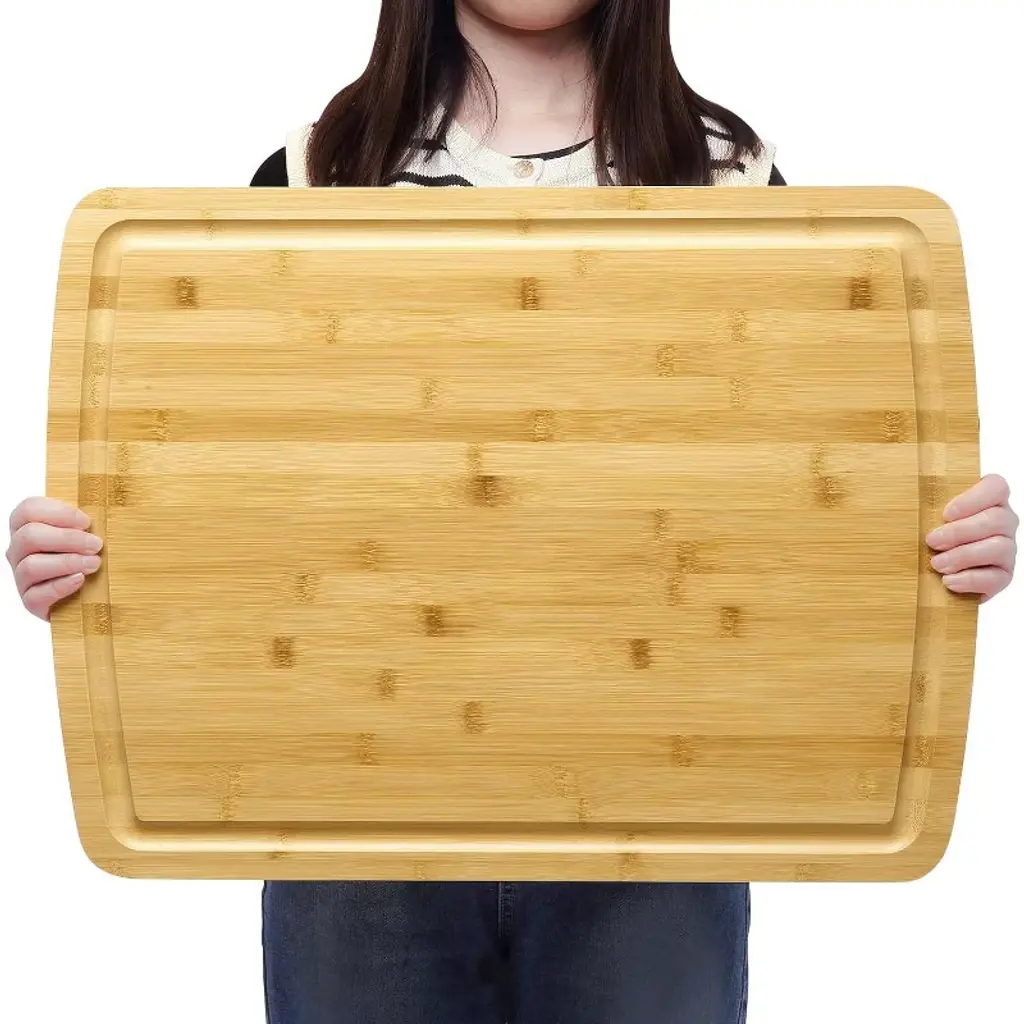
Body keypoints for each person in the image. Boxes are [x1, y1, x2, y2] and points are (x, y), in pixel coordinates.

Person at [6, 2, 1018, 1022]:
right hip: (355, 819)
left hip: (658, 817)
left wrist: (935, 543)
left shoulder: (730, 179)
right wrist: (96, 559)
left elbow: (807, 498)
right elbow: (225, 492)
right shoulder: (319, 173)